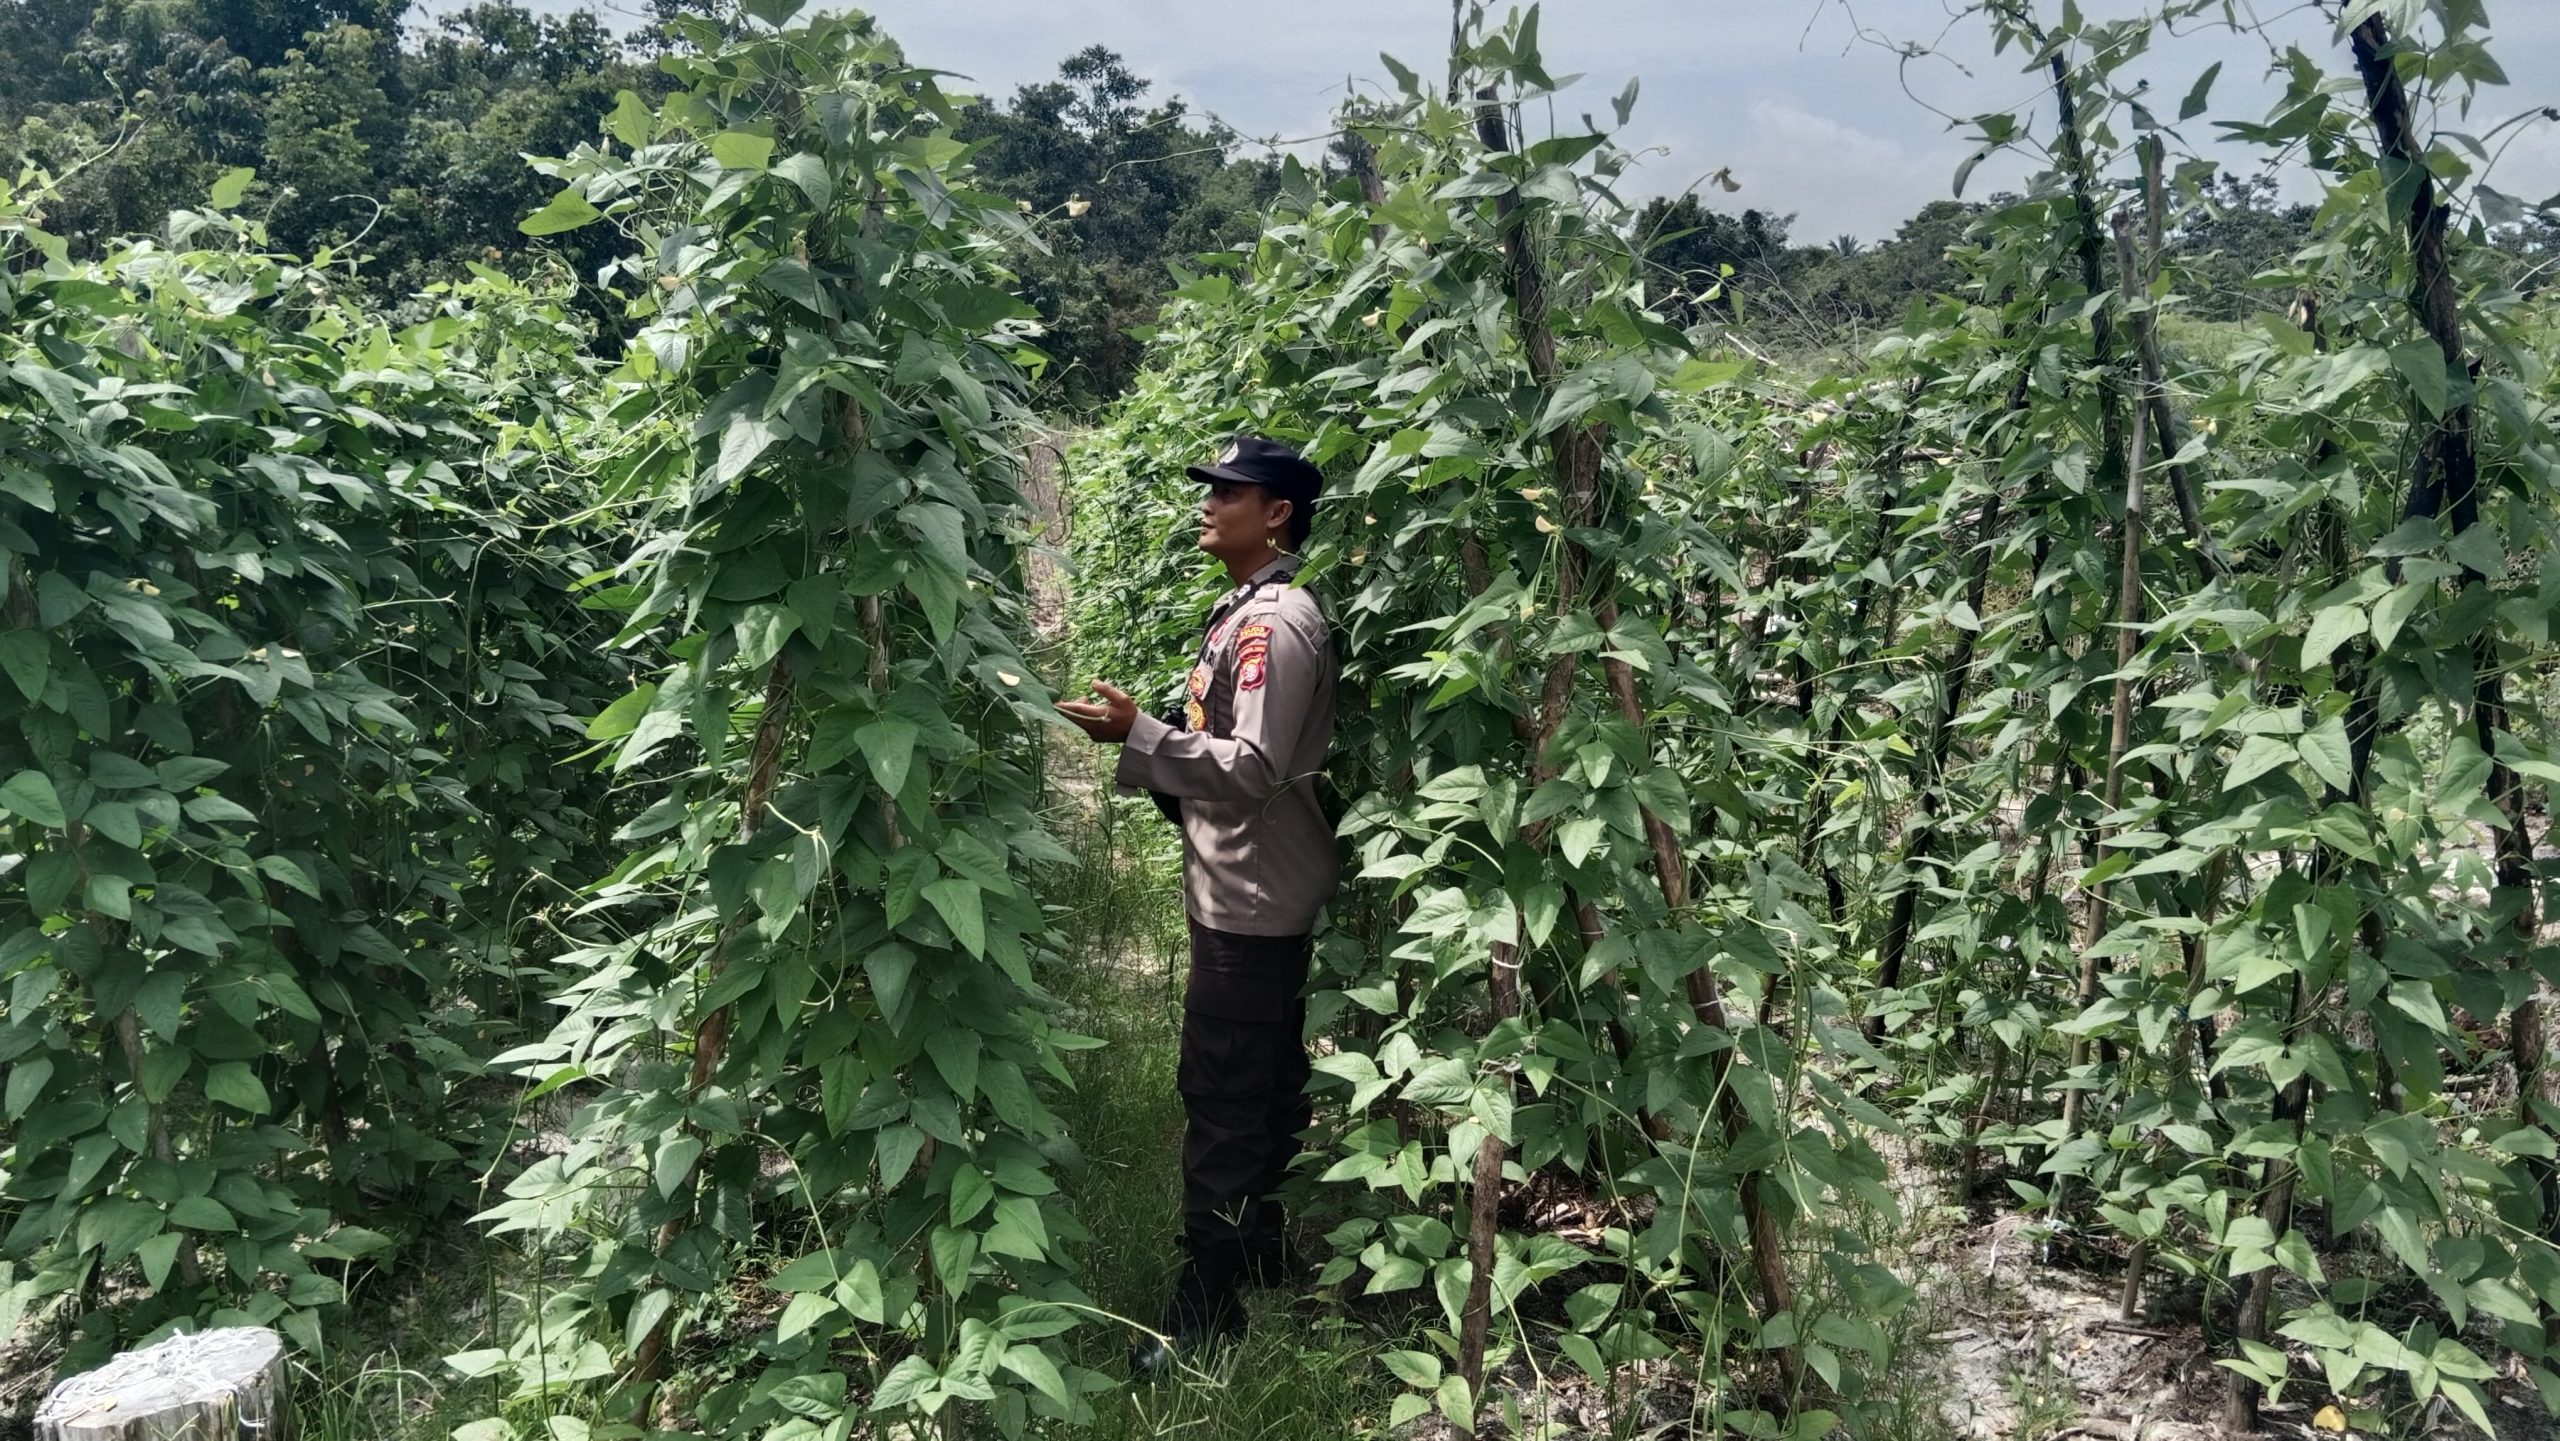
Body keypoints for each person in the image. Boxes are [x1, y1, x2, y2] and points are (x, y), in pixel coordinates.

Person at [1056, 434, 1341, 1378]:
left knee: (1222, 1090)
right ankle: (1259, 1248)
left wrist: (1142, 736)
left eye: (1232, 490)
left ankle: (1207, 1303)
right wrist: (1147, 742)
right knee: (1257, 1077)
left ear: (1278, 514)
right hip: (1244, 882)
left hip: (1253, 893)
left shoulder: (1277, 623)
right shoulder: (1245, 610)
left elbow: (1257, 767)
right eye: (1209, 486)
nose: (1210, 501)